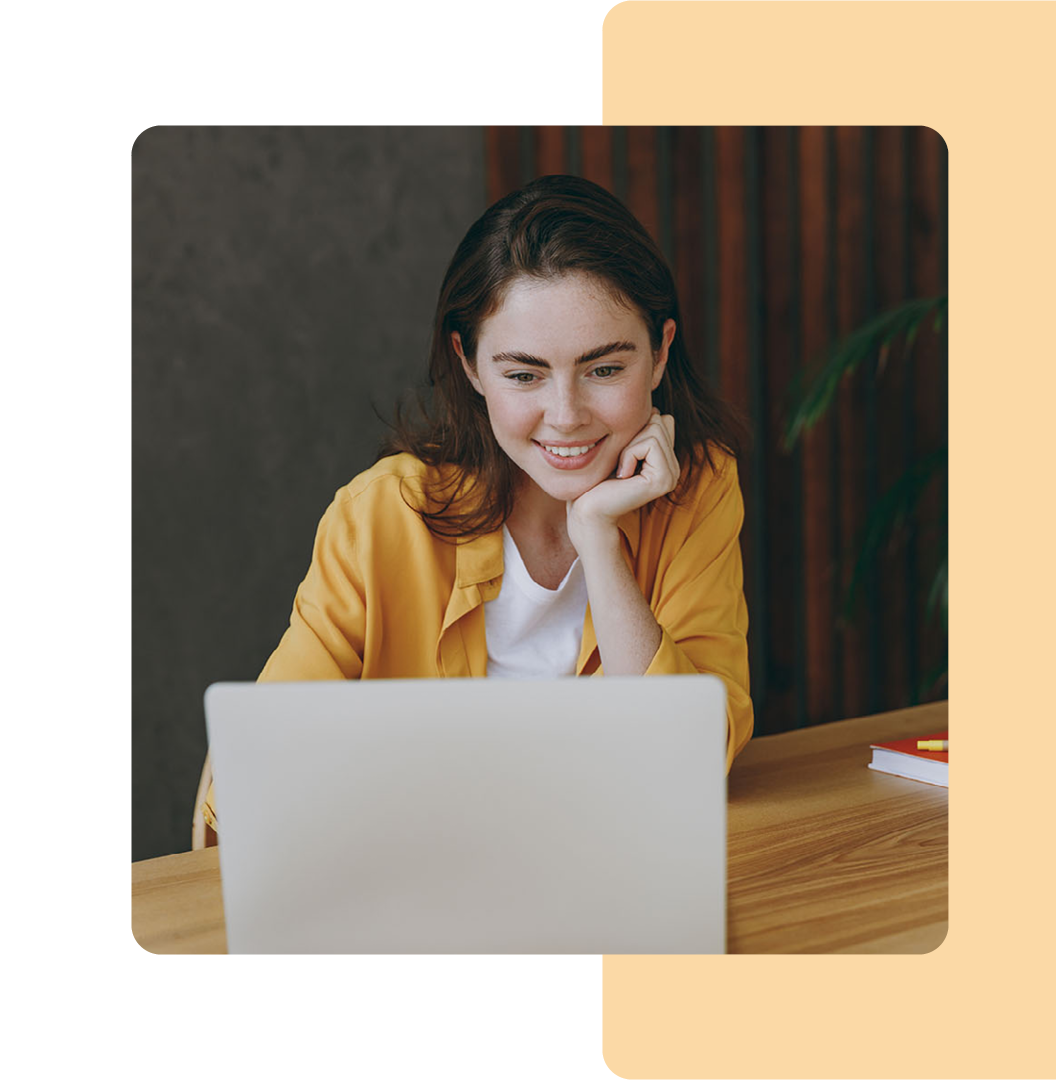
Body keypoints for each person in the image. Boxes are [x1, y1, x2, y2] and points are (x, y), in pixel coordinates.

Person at [196, 174, 752, 846]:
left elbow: (690, 759)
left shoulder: (698, 490)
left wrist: (599, 538)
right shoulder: (382, 515)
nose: (566, 417)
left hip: (614, 870)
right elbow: (249, 773)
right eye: (523, 375)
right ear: (469, 365)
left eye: (605, 369)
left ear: (661, 353)